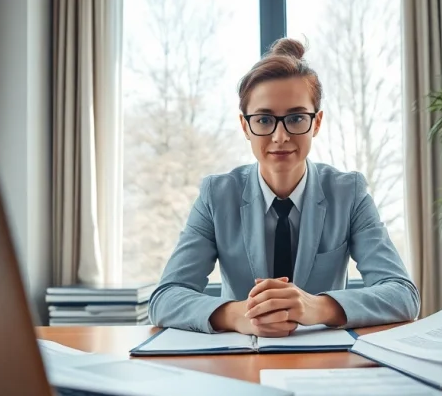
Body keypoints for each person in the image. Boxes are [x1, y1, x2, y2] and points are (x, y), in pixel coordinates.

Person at [148, 37, 420, 336]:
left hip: (325, 362)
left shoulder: (349, 193)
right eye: (264, 120)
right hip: (241, 358)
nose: (280, 136)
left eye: (295, 118)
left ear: (316, 123)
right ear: (245, 126)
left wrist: (316, 307)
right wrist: (237, 315)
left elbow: (402, 294)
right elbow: (165, 298)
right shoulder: (217, 195)